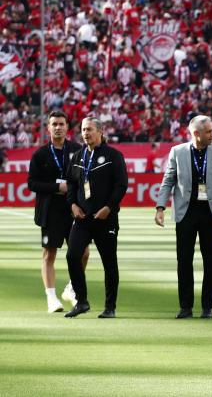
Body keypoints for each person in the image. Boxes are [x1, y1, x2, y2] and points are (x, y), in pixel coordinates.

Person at [154, 115, 212, 319]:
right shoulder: (177, 151)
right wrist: (160, 207)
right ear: (196, 134)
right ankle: (185, 307)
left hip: (210, 211)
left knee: (210, 261)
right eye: (208, 132)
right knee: (184, 260)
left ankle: (208, 307)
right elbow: (168, 180)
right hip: (185, 212)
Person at [64, 117, 128, 318]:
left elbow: (121, 184)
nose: (86, 133)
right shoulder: (78, 156)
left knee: (109, 263)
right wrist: (72, 204)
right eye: (83, 130)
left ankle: (110, 307)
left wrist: (109, 207)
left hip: (105, 218)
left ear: (100, 131)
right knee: (72, 256)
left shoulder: (113, 155)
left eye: (90, 129)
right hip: (82, 218)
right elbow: (71, 183)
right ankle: (81, 302)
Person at [26, 111, 87, 312]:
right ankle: (51, 298)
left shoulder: (78, 150)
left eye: (61, 124)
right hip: (50, 210)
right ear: (48, 128)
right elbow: (32, 183)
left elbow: (85, 178)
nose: (58, 127)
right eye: (54, 124)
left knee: (83, 252)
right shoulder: (40, 154)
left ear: (67, 127)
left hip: (73, 208)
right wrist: (56, 187)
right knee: (49, 253)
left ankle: (71, 288)